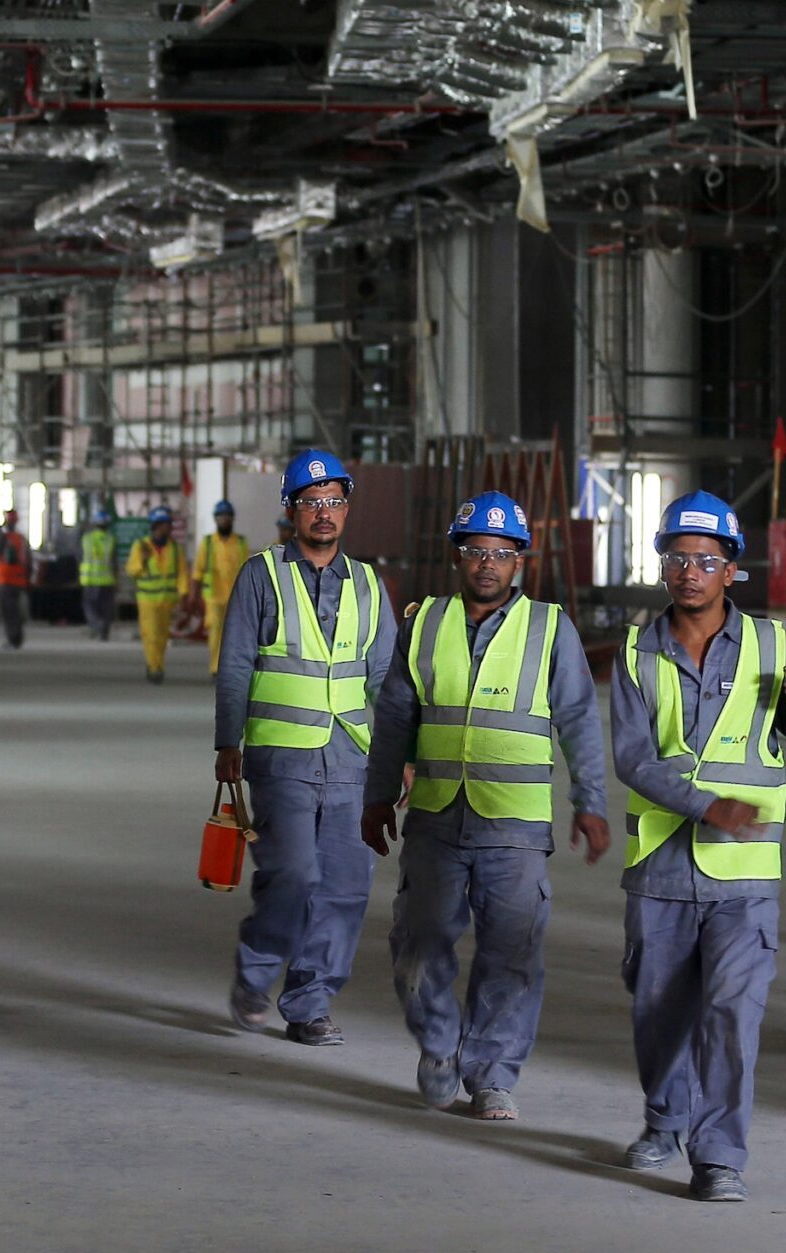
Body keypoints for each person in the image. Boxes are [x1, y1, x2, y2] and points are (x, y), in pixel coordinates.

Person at [607, 491, 786, 1202]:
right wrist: (709, 805)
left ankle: (719, 1154)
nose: (690, 570)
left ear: (732, 569)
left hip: (744, 878)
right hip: (662, 870)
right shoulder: (637, 654)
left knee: (733, 1011)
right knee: (658, 1012)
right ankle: (666, 1117)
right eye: (677, 557)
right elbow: (635, 760)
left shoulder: (770, 644)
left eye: (706, 559)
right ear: (663, 565)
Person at [363, 491, 607, 1123]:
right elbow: (395, 717)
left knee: (512, 953)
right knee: (418, 943)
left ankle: (493, 1075)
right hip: (437, 818)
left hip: (515, 826)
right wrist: (375, 796)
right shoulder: (425, 623)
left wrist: (591, 801)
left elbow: (580, 719)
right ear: (457, 556)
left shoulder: (550, 628)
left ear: (520, 562)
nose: (489, 563)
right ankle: (439, 1045)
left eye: (502, 553)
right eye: (476, 550)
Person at [216, 448, 398, 1045]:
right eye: (311, 503)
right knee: (292, 874)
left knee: (344, 887)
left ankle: (309, 1003)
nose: (324, 513)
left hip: (351, 759)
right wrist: (228, 741)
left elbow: (387, 680)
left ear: (347, 510)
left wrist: (403, 756)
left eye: (334, 502)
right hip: (281, 756)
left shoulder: (369, 584)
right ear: (291, 510)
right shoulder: (261, 575)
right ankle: (257, 971)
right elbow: (237, 664)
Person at [128, 507, 190, 684]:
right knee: (150, 634)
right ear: (155, 526)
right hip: (147, 600)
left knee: (162, 636)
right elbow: (132, 570)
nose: (168, 528)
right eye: (165, 525)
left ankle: (158, 664)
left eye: (169, 525)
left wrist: (183, 596)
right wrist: (144, 560)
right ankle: (154, 667)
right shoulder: (141, 546)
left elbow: (182, 574)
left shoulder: (176, 550)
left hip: (167, 600)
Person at [196, 498, 250, 676]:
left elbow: (248, 572)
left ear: (232, 519)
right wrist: (193, 597)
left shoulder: (241, 543)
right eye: (221, 517)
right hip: (213, 597)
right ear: (215, 519)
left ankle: (228, 667)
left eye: (227, 517)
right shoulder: (208, 543)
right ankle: (215, 668)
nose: (224, 520)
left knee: (234, 635)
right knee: (215, 634)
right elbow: (198, 570)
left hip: (236, 597)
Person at [0, 509, 31, 651]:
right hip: (19, 580)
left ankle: (12, 639)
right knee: (15, 610)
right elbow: (29, 562)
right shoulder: (21, 539)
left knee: (8, 612)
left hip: (5, 579)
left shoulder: (3, 537)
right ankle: (17, 638)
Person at [80, 505, 118, 640]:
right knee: (106, 608)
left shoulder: (87, 539)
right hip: (107, 580)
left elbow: (79, 557)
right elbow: (114, 562)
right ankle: (104, 633)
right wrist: (116, 579)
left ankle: (97, 624)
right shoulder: (111, 540)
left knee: (89, 606)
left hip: (90, 580)